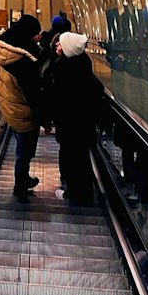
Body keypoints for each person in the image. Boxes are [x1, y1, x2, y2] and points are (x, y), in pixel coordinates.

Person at [0, 14, 46, 199]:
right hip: (23, 113)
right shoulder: (25, 61)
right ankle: (21, 185)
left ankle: (23, 178)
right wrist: (45, 120)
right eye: (36, 34)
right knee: (25, 152)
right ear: (28, 34)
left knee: (22, 149)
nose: (38, 37)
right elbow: (33, 95)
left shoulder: (0, 50)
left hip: (8, 109)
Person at [47, 31, 104, 205]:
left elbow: (57, 97)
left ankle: (75, 193)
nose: (57, 45)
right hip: (83, 123)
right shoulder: (82, 64)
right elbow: (97, 89)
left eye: (60, 43)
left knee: (73, 158)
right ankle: (82, 192)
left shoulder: (64, 68)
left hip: (70, 123)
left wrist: (51, 117)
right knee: (81, 158)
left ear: (68, 49)